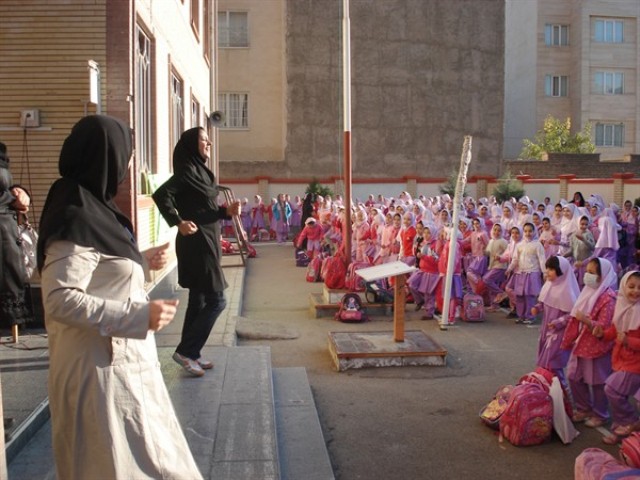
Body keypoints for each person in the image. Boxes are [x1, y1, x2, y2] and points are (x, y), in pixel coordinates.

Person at [37, 115, 203, 479]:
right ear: (104, 157)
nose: (128, 167)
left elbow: (100, 272)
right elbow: (60, 298)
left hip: (120, 366)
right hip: (98, 375)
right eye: (125, 157)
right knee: (117, 466)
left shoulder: (95, 209)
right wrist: (138, 317)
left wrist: (140, 263)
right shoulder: (75, 213)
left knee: (153, 461)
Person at [153, 126, 240, 377]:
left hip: (208, 240)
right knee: (217, 300)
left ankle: (193, 352)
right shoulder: (186, 172)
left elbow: (202, 209)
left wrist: (226, 212)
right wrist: (178, 221)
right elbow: (161, 195)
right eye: (203, 140)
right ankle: (186, 350)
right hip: (197, 244)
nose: (209, 143)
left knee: (199, 299)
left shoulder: (201, 173)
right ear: (192, 145)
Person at [561, 257, 617, 429]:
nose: (587, 276)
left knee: (597, 381)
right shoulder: (588, 291)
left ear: (603, 276)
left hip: (597, 347)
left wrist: (585, 320)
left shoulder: (608, 298)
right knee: (574, 376)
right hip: (581, 343)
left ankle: (601, 414)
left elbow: (604, 326)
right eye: (587, 272)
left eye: (592, 273)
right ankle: (584, 408)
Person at [593, 270, 640, 444]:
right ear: (623, 286)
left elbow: (628, 338)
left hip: (635, 364)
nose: (635, 291)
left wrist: (629, 341)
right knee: (619, 395)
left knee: (611, 389)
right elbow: (614, 332)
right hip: (621, 361)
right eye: (631, 286)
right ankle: (621, 432)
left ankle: (631, 421)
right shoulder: (622, 306)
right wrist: (601, 334)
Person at [532, 256, 580, 390]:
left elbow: (572, 315)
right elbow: (543, 302)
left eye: (552, 269)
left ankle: (563, 392)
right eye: (547, 268)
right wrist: (537, 308)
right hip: (546, 331)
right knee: (544, 362)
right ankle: (547, 390)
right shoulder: (548, 286)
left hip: (558, 335)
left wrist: (558, 322)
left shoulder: (568, 291)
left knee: (553, 363)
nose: (548, 271)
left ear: (562, 271)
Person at [0, 147, 33, 333]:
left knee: (9, 276)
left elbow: (5, 188)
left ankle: (13, 322)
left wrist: (19, 192)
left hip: (6, 231)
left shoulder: (1, 151)